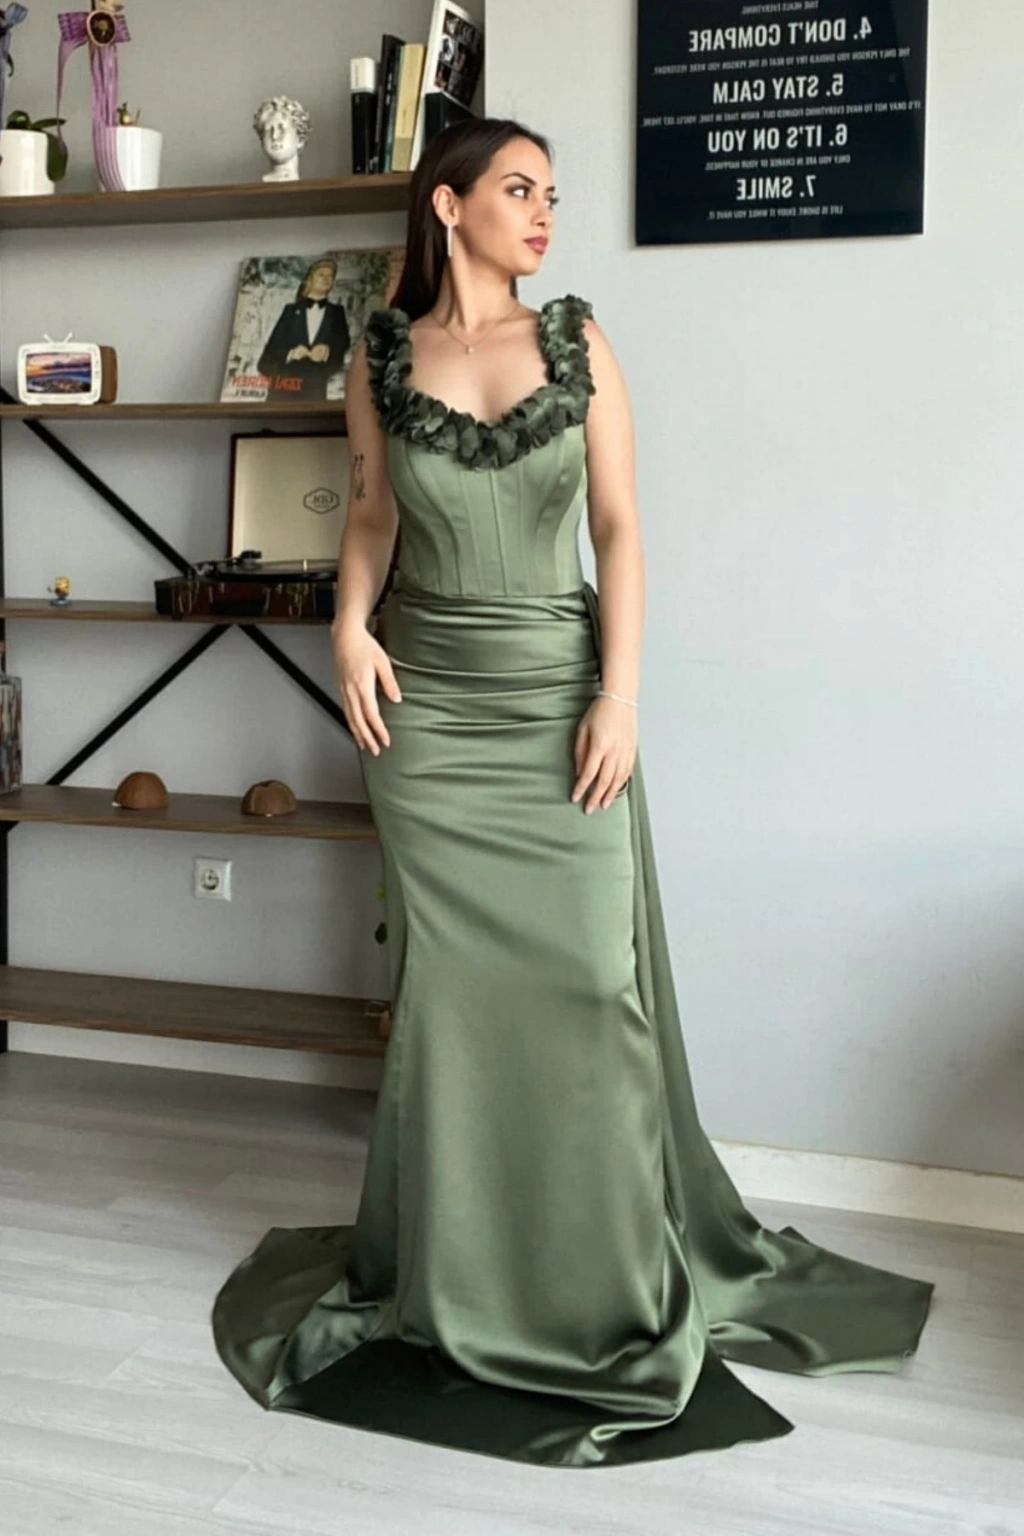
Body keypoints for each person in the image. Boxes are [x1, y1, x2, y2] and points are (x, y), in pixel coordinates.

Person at [211, 117, 936, 1470]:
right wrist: (346, 628)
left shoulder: (577, 341)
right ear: (449, 206)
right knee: (453, 999)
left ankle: (597, 1283)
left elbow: (619, 528)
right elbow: (367, 516)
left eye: (551, 193)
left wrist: (620, 694)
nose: (545, 212)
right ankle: (458, 1278)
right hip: (426, 710)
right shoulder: (379, 356)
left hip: (557, 693)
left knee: (592, 986)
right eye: (519, 189)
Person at [256, 256, 351, 402]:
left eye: (330, 276)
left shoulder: (337, 312)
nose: (326, 279)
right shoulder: (290, 310)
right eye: (321, 275)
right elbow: (273, 347)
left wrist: (327, 351)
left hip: (315, 389)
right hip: (283, 388)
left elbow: (343, 342)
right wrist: (292, 353)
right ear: (309, 279)